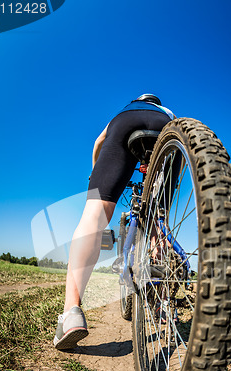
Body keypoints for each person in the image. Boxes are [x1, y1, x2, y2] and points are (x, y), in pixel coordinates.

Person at [53, 94, 175, 350]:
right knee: (157, 221)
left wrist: (96, 173)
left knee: (94, 216)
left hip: (124, 127)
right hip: (169, 131)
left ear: (139, 100)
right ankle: (163, 304)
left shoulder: (126, 110)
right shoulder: (167, 112)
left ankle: (71, 313)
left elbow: (100, 141)